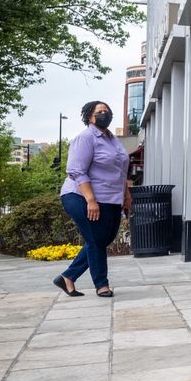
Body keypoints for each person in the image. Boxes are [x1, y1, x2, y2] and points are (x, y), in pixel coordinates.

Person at [53, 101, 130, 298]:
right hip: (79, 196)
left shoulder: (113, 140)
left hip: (110, 198)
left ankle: (68, 277)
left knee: (105, 237)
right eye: (99, 111)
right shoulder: (86, 138)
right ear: (90, 117)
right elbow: (76, 170)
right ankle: (101, 285)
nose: (104, 113)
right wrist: (90, 200)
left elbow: (120, 171)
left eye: (107, 111)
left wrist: (126, 195)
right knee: (96, 239)